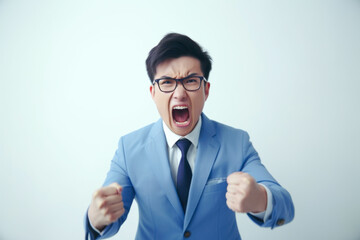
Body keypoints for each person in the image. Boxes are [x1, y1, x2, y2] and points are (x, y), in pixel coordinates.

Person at [84, 33, 294, 240]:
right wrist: (96, 217)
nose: (179, 93)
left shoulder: (236, 142)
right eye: (167, 82)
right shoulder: (128, 148)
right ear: (153, 93)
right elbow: (108, 214)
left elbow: (285, 207)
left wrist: (259, 198)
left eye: (191, 81)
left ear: (206, 90)